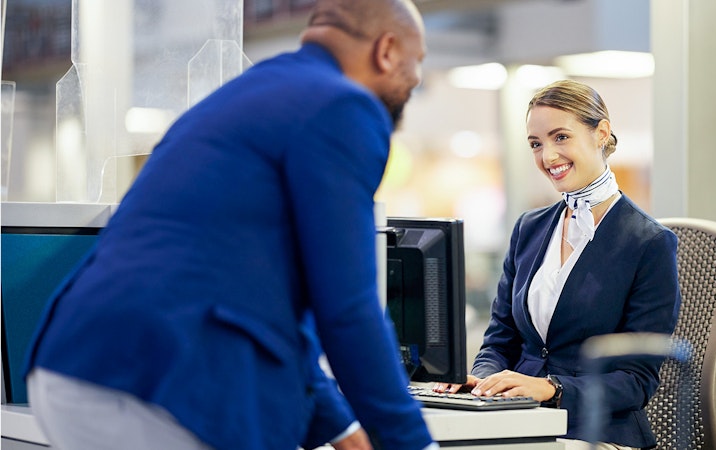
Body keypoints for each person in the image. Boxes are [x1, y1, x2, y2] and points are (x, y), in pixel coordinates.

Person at [22, 1, 435, 449]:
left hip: (80, 365)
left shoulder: (246, 95)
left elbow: (255, 301)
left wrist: (344, 430)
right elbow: (348, 307)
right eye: (418, 63)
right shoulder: (343, 107)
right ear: (388, 50)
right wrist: (412, 442)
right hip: (169, 379)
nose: (415, 79)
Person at [435, 80, 681, 450]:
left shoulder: (648, 242)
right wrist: (482, 380)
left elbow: (636, 380)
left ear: (601, 133)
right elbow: (500, 339)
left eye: (560, 137)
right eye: (536, 143)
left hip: (598, 433)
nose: (547, 157)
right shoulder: (529, 229)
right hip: (520, 421)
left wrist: (553, 388)